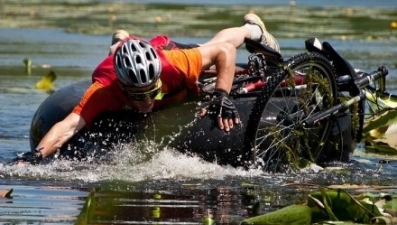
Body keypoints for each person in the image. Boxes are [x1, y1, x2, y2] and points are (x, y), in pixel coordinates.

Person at [33, 13, 280, 160]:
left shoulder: (174, 64)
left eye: (151, 92)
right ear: (123, 87)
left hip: (164, 51)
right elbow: (67, 127)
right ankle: (119, 43)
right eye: (137, 96)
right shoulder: (105, 90)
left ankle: (252, 29)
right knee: (114, 54)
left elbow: (225, 51)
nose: (147, 103)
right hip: (115, 64)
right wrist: (34, 157)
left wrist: (222, 96)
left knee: (214, 44)